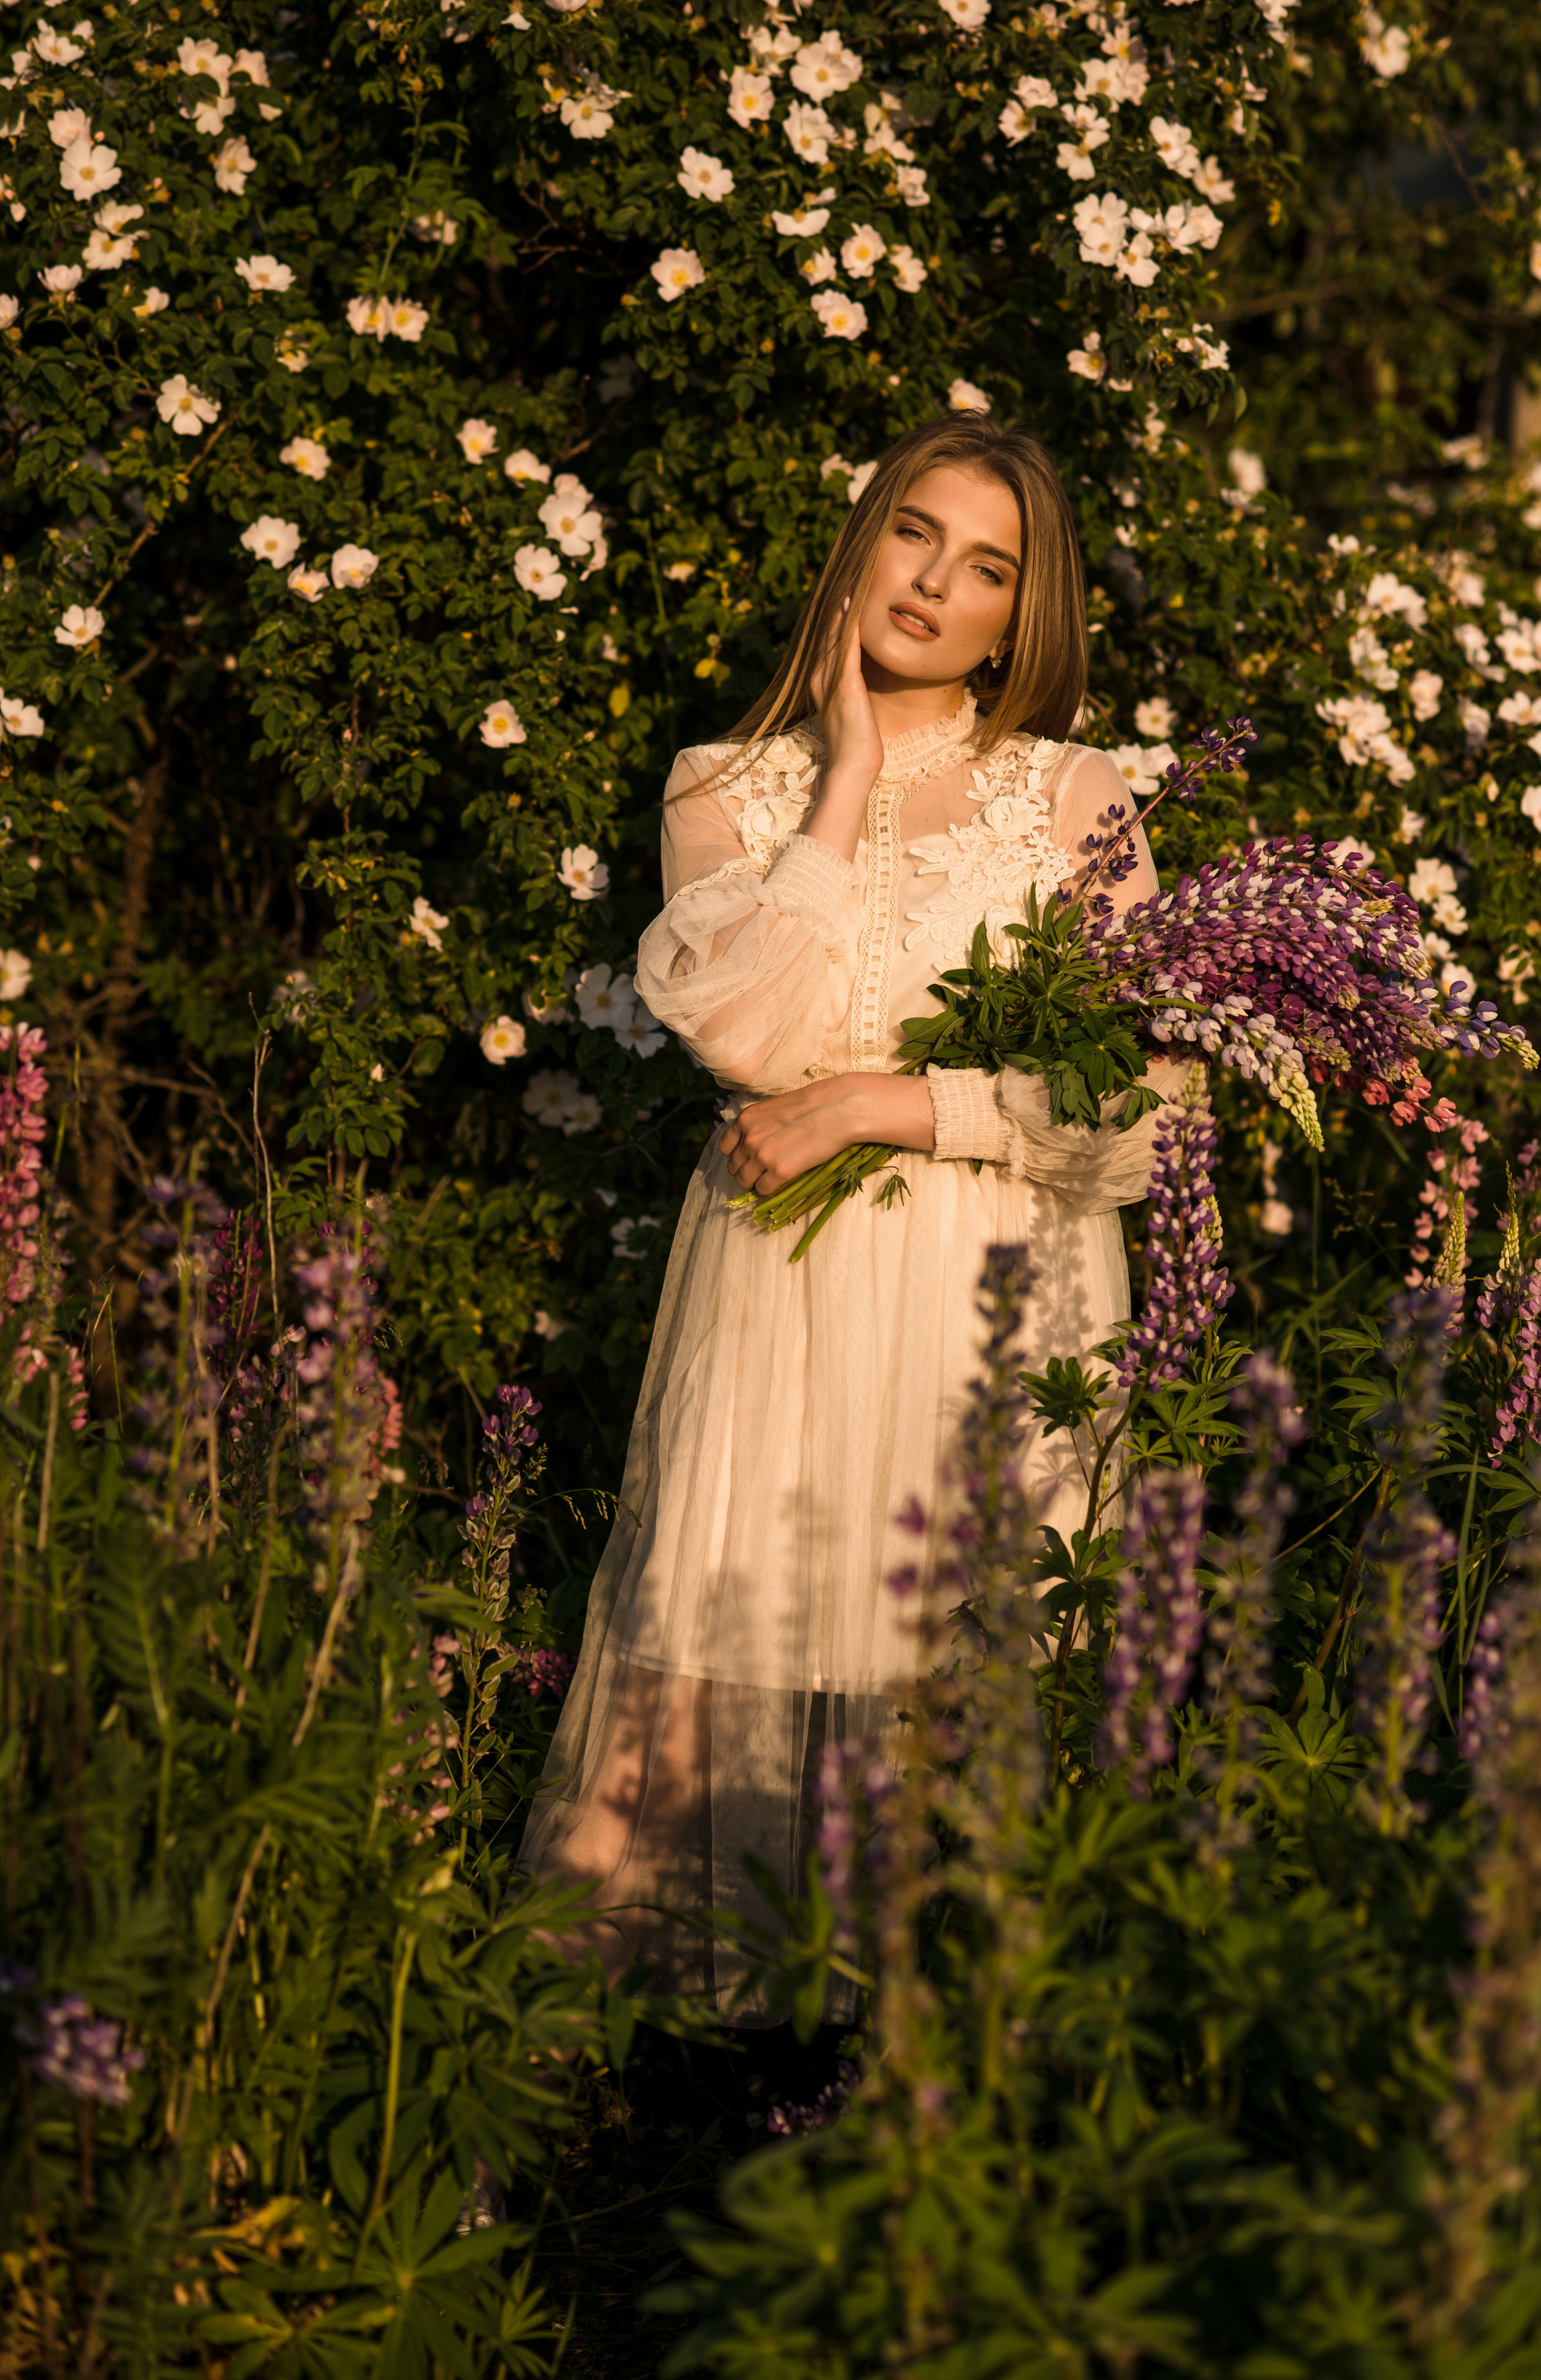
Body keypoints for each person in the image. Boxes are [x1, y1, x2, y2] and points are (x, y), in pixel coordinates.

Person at [518, 413, 1179, 2012]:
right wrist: (851, 780)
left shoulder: (1079, 796)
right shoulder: (725, 789)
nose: (937, 584)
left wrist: (896, 1103)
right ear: (866, 539)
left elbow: (1150, 1124)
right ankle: (554, 2115)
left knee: (953, 1708)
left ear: (1023, 618)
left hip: (999, 1303)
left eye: (988, 569)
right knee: (710, 1646)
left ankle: (928, 2107)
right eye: (916, 536)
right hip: (781, 1305)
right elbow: (741, 1032)